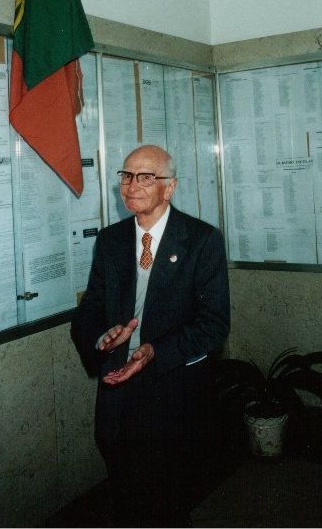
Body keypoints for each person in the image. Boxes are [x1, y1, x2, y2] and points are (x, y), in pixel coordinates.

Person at [71, 145, 230, 527]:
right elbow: (90, 309)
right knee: (124, 490)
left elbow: (213, 323)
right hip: (118, 386)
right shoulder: (110, 241)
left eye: (145, 177)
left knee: (167, 498)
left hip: (171, 386)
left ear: (169, 187)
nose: (132, 185)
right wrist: (102, 337)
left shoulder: (201, 239)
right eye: (126, 176)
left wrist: (154, 351)